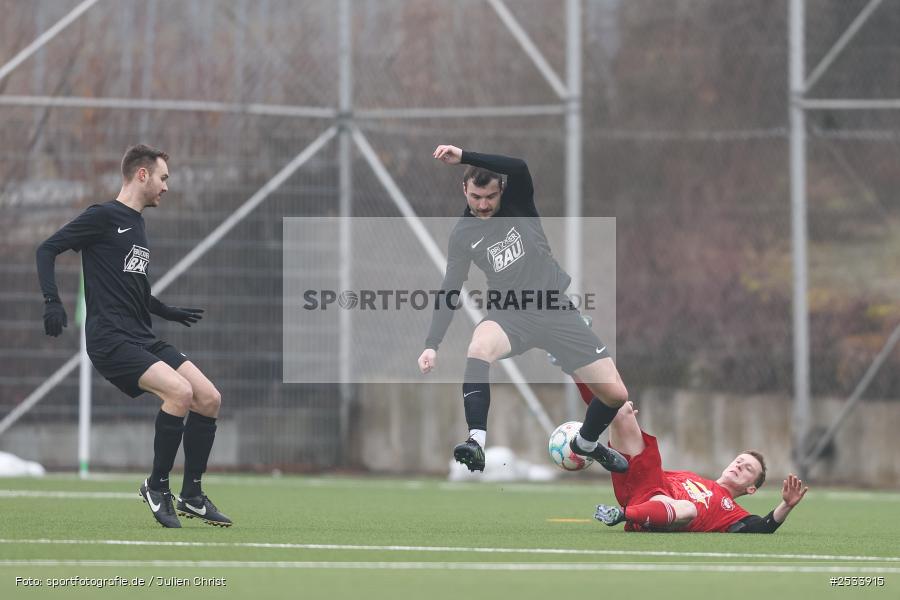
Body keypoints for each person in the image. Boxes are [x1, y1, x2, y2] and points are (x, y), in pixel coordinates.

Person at [36, 144, 231, 528]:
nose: (166, 187)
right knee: (180, 393)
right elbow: (47, 249)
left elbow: (132, 288)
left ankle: (191, 495)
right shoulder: (103, 216)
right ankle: (157, 487)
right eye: (163, 178)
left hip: (141, 334)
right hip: (110, 338)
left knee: (208, 398)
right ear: (142, 175)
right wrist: (51, 301)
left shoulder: (138, 223)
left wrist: (165, 310)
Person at [417, 144, 629, 474]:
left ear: (502, 190)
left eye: (490, 197)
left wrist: (465, 156)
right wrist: (432, 344)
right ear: (464, 190)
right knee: (479, 346)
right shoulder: (463, 234)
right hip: (510, 314)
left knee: (616, 395)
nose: (483, 205)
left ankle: (586, 444)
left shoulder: (518, 204)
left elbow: (518, 165)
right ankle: (476, 441)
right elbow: (450, 288)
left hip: (556, 310)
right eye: (475, 197)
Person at [584, 386, 808, 533]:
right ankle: (574, 364)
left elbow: (762, 528)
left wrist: (787, 505)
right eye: (739, 460)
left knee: (688, 509)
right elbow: (654, 472)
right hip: (643, 482)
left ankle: (621, 515)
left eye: (748, 468)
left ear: (751, 489)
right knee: (621, 409)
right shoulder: (691, 477)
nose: (739, 465)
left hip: (659, 506)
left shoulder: (732, 513)